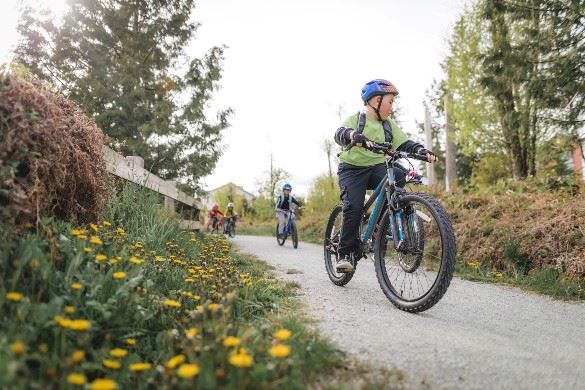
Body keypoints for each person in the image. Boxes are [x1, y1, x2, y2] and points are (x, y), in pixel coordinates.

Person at [333, 79, 437, 272]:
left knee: (398, 175)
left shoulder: (388, 126)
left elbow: (405, 143)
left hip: (375, 167)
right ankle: (345, 252)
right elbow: (340, 133)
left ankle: (377, 226)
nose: (392, 107)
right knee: (353, 206)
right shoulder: (357, 120)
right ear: (375, 101)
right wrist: (353, 136)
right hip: (352, 169)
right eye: (390, 102)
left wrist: (421, 151)